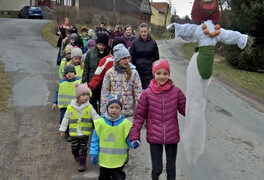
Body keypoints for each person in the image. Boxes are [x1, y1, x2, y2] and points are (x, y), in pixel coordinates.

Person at [166, 0, 249, 170]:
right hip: (205, 63)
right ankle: (193, 133)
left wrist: (173, 27)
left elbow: (185, 30)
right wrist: (244, 38)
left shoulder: (200, 29)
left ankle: (193, 133)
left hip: (199, 63)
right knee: (197, 99)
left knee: (196, 99)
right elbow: (231, 35)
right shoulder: (217, 31)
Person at [129, 60, 186, 180]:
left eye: (165, 73)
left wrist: (196, 106)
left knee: (171, 169)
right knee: (157, 168)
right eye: (159, 73)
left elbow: (186, 110)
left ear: (169, 74)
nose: (162, 76)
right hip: (154, 137)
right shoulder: (146, 94)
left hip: (172, 137)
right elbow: (139, 116)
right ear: (154, 74)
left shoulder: (176, 92)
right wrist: (134, 135)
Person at [90, 94, 140, 180]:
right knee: (103, 177)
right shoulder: (100, 123)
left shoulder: (125, 123)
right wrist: (94, 153)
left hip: (118, 160)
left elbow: (128, 138)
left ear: (121, 109)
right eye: (111, 107)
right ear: (107, 108)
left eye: (117, 108)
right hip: (104, 159)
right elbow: (95, 140)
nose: (114, 110)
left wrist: (133, 143)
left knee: (118, 177)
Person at [59, 83, 100, 172]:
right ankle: (75, 154)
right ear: (77, 97)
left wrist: (102, 124)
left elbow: (95, 117)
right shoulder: (70, 107)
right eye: (83, 95)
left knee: (83, 148)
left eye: (87, 95)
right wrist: (62, 129)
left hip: (85, 133)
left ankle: (82, 162)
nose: (86, 97)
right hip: (74, 133)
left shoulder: (89, 107)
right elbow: (66, 118)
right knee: (74, 147)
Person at [100, 44, 142, 117]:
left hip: (129, 114)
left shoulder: (134, 72)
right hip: (114, 114)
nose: (127, 61)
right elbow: (104, 93)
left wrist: (139, 112)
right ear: (117, 60)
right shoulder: (110, 73)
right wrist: (103, 113)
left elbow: (138, 93)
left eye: (128, 58)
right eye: (124, 59)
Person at [82, 33, 111, 113]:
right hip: (92, 81)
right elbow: (86, 68)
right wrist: (85, 80)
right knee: (92, 101)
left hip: (104, 83)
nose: (101, 47)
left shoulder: (109, 54)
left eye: (103, 45)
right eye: (99, 44)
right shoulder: (91, 53)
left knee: (103, 102)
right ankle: (94, 119)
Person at [52, 64, 81, 141]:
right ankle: (66, 131)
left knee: (73, 120)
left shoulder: (78, 82)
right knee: (63, 119)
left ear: (75, 73)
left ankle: (71, 134)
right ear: (65, 74)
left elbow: (82, 93)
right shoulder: (62, 83)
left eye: (71, 72)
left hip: (74, 106)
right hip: (64, 106)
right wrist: (55, 102)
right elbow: (57, 93)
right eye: (67, 72)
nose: (69, 74)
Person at [129, 23, 159, 89]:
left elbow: (156, 59)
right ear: (139, 32)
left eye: (145, 31)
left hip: (149, 72)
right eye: (141, 32)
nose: (143, 33)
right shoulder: (134, 43)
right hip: (137, 71)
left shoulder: (153, 43)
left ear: (148, 31)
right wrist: (133, 69)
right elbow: (131, 57)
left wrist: (155, 71)